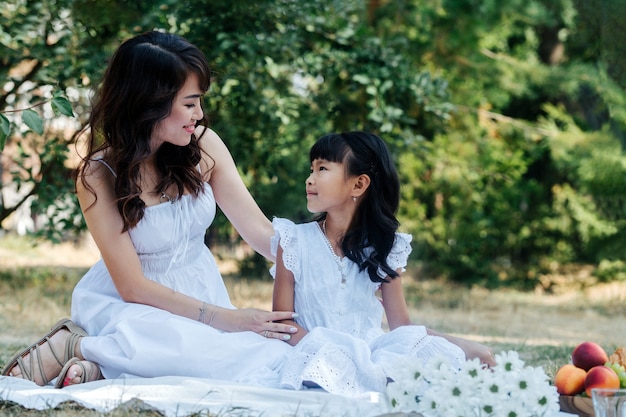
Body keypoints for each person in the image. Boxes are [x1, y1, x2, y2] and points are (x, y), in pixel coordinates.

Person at [1, 31, 299, 388]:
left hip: (198, 291)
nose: (199, 114)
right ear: (149, 103)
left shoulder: (205, 148)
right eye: (189, 103)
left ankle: (98, 363)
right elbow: (132, 287)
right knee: (192, 352)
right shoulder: (99, 175)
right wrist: (226, 319)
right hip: (132, 302)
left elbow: (261, 233)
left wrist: (331, 250)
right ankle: (83, 344)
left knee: (248, 358)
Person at [270, 131, 496, 396]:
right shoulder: (294, 239)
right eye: (311, 169)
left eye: (322, 168)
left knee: (437, 363)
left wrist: (461, 344)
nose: (310, 178)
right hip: (312, 352)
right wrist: (333, 351)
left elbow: (402, 327)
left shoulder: (385, 247)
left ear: (358, 185)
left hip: (371, 354)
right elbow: (282, 326)